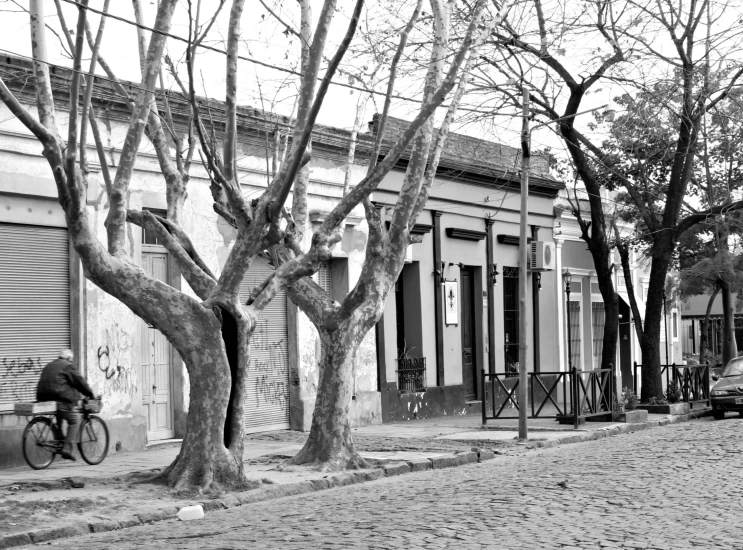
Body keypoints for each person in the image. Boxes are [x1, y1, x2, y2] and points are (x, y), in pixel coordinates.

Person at [36, 349, 96, 461]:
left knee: (60, 413)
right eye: (71, 360)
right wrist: (90, 394)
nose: (72, 362)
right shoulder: (68, 366)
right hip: (59, 398)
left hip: (44, 398)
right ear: (69, 358)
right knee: (74, 420)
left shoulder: (49, 365)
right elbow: (80, 382)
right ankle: (67, 449)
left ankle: (60, 437)